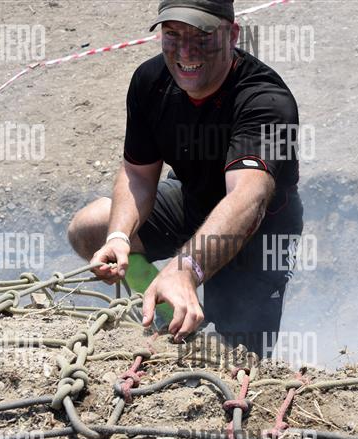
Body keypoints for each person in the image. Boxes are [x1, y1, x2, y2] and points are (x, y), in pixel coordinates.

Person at [67, 0, 303, 357]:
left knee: (231, 358)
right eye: (173, 34)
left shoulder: (266, 100)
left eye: (202, 36)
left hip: (257, 232)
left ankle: (191, 306)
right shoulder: (150, 80)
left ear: (232, 34)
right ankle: (167, 317)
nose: (185, 51)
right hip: (191, 200)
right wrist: (118, 236)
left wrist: (187, 267)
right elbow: (137, 173)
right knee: (90, 228)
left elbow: (247, 199)